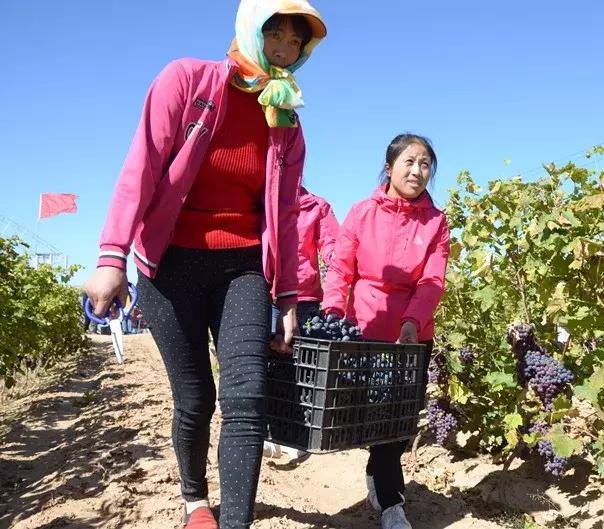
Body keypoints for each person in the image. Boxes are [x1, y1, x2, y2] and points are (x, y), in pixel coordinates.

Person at [82, 1, 326, 527]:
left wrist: (287, 297)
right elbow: (140, 166)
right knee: (195, 395)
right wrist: (111, 257)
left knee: (247, 395)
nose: (283, 47)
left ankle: (235, 520)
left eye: (294, 41)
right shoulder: (186, 81)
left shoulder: (286, 121)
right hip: (168, 265)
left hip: (242, 268)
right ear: (249, 30)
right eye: (274, 33)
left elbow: (286, 215)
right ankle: (195, 499)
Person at [321, 134, 450, 529]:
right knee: (365, 412)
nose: (417, 170)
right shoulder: (362, 212)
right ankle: (380, 479)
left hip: (411, 336)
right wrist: (331, 311)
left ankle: (391, 502)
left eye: (425, 163)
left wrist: (411, 322)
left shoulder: (436, 222)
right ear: (390, 165)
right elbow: (342, 268)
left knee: (397, 420)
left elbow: (432, 280)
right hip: (364, 330)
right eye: (409, 161)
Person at [265, 184, 338, 459]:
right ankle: (269, 430)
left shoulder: (316, 207)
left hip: (303, 298)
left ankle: (297, 434)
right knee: (265, 365)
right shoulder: (261, 200)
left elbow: (334, 247)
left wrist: (344, 266)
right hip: (263, 294)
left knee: (301, 368)